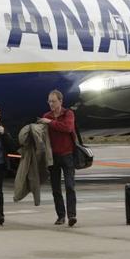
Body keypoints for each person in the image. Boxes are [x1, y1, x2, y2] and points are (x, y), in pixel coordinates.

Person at [39, 90, 78, 227]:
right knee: (55, 188)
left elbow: (67, 128)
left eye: (53, 101)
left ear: (60, 101)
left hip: (67, 155)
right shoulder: (46, 116)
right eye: (49, 101)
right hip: (53, 157)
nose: (51, 103)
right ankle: (61, 216)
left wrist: (50, 123)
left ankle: (71, 215)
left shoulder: (68, 114)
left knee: (69, 186)